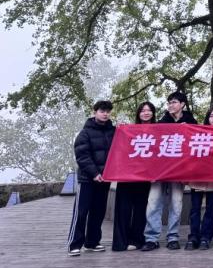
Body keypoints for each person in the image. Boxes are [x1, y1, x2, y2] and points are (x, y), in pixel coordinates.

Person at [142, 91, 197, 251]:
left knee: (176, 204)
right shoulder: (161, 123)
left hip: (179, 171)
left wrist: (187, 130)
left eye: (174, 102)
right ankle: (151, 238)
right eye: (169, 102)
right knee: (153, 203)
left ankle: (173, 237)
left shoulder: (192, 123)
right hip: (159, 171)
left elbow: (196, 147)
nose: (171, 105)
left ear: (182, 104)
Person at [67, 100, 115, 256]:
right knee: (81, 213)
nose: (105, 114)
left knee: (98, 212)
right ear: (95, 112)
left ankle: (92, 243)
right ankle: (74, 244)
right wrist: (94, 173)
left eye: (107, 111)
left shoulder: (113, 131)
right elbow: (82, 156)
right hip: (87, 179)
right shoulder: (85, 133)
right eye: (102, 111)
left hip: (104, 179)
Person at [112, 101, 156, 251]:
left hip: (145, 176)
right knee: (123, 209)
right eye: (143, 110)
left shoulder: (159, 131)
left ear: (153, 113)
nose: (146, 113)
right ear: (138, 113)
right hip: (126, 175)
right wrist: (119, 129)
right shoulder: (129, 129)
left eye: (149, 110)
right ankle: (120, 242)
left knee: (140, 209)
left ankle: (136, 240)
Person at [186, 107, 213, 250]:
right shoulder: (199, 131)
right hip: (198, 176)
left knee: (210, 208)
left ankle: (206, 237)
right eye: (211, 115)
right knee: (195, 208)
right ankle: (193, 236)